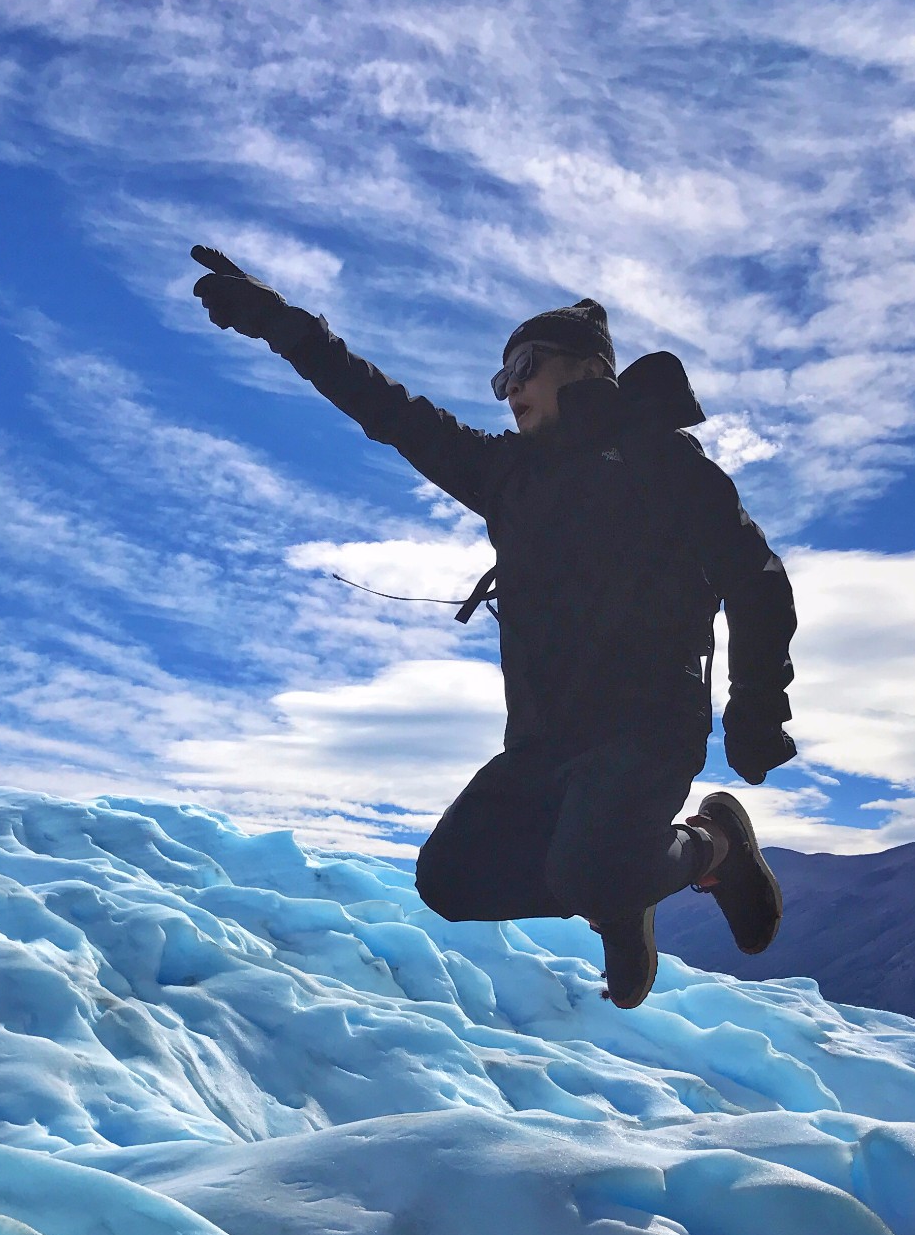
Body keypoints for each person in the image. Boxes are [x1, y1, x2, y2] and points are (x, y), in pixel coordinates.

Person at [191, 246, 797, 1009]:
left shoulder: (667, 464)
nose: (508, 389)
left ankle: (714, 843)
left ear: (583, 366)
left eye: (522, 366)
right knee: (450, 879)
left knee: (592, 867)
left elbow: (757, 578)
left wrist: (756, 703)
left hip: (647, 726)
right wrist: (284, 326)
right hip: (545, 740)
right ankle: (623, 891)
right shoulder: (505, 473)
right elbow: (388, 410)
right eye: (500, 379)